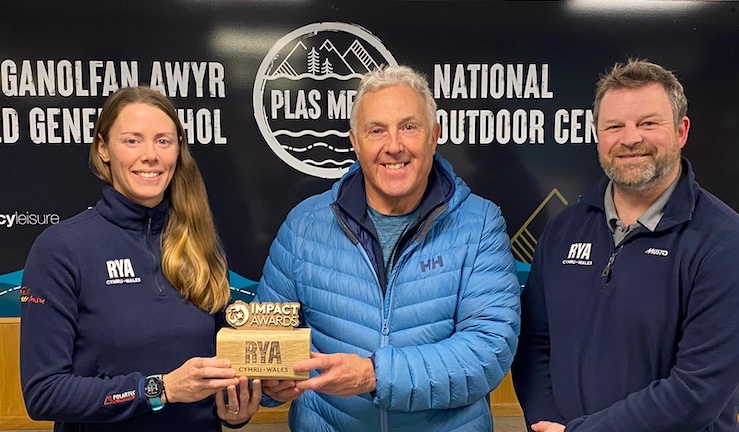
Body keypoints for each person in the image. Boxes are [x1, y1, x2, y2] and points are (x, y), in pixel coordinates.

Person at [255, 65, 521, 431]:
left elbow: (488, 351)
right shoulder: (304, 225)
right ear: (355, 142)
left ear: (434, 136)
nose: (393, 146)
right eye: (376, 130)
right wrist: (268, 384)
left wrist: (374, 375)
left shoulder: (480, 224)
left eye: (409, 127)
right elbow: (267, 340)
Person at [512, 59, 739, 431]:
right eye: (614, 126)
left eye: (648, 123)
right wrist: (545, 422)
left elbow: (697, 390)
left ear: (681, 131)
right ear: (598, 136)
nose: (630, 138)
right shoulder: (562, 231)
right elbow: (535, 342)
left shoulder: (724, 243)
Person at [20, 86, 261, 432]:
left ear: (178, 150)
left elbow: (224, 369)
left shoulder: (200, 242)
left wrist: (235, 409)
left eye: (163, 141)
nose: (150, 155)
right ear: (103, 149)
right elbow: (44, 393)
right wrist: (160, 389)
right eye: (132, 141)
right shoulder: (61, 249)